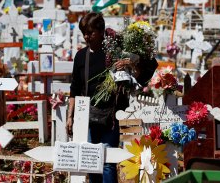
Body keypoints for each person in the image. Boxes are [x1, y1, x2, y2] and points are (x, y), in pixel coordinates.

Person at [66, 12, 157, 183]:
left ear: (101, 32)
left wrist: (130, 63)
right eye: (84, 33)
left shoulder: (116, 53)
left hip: (112, 116)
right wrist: (70, 116)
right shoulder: (81, 56)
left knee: (107, 160)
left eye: (91, 32)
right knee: (90, 160)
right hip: (88, 116)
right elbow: (75, 88)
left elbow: (144, 71)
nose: (86, 37)